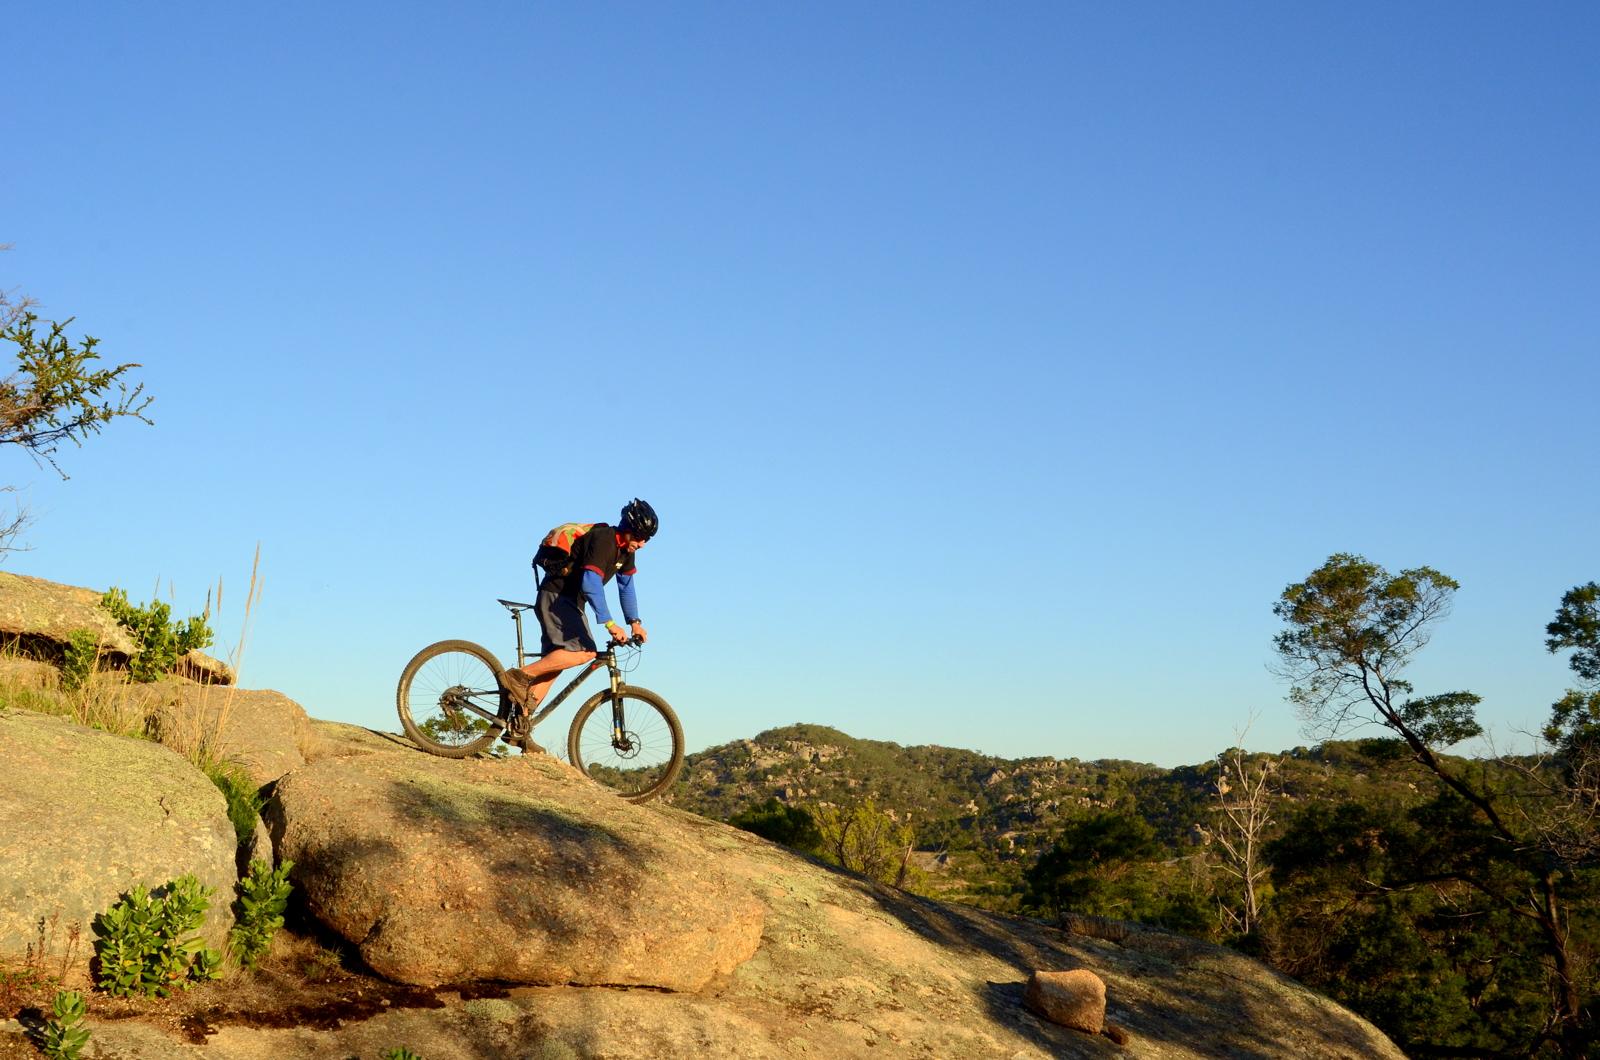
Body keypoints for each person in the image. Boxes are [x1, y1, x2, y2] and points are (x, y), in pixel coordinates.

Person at [500, 498, 658, 748]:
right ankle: (518, 676)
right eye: (640, 537)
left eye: (647, 539)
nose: (643, 544)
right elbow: (590, 583)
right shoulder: (604, 540)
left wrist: (634, 622)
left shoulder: (626, 552)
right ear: (627, 529)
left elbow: (626, 586)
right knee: (584, 652)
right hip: (557, 597)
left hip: (570, 602)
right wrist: (609, 623)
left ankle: (518, 729)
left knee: (555, 664)